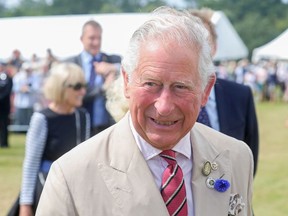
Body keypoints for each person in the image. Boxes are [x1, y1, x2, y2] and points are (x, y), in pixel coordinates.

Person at [37, 6, 253, 216]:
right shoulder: (71, 176)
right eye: (151, 84)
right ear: (127, 81)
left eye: (181, 86)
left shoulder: (237, 158)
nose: (164, 106)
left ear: (206, 89)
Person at [190, 8, 259, 176]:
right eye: (191, 42)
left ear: (215, 47)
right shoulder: (165, 98)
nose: (199, 49)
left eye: (205, 42)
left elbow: (249, 155)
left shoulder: (240, 95)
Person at [18, 62, 90, 216]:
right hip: (46, 190)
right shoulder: (42, 118)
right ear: (61, 87)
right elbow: (31, 164)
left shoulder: (83, 116)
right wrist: (25, 204)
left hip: (76, 191)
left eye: (84, 85)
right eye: (77, 86)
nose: (83, 91)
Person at [66, 20, 122, 136]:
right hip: (79, 123)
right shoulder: (72, 64)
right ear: (82, 39)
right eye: (91, 38)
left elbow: (131, 66)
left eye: (99, 38)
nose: (96, 42)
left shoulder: (112, 60)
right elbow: (75, 94)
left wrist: (112, 68)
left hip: (109, 126)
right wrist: (103, 88)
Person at [0, 62, 13, 148]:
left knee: (4, 124)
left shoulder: (8, 78)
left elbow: (8, 90)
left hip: (4, 105)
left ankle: (4, 143)